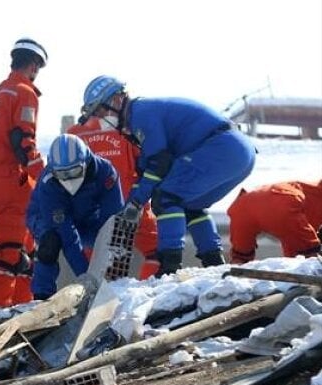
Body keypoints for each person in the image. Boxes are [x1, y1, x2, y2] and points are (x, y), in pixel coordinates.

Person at [79, 75, 256, 276]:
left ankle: (169, 265)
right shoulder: (139, 117)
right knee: (190, 204)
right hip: (237, 152)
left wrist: (136, 204)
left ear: (117, 100)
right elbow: (147, 171)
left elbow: (159, 164)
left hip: (221, 149)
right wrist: (131, 203)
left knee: (165, 198)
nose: (100, 117)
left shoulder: (141, 114)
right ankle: (213, 261)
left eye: (101, 110)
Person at [0, 38, 48, 307]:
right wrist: (44, 177)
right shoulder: (24, 92)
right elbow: (24, 140)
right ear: (33, 65)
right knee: (12, 254)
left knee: (24, 255)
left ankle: (20, 309)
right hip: (15, 181)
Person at [26, 134, 124, 299]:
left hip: (89, 219)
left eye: (75, 171)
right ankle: (41, 296)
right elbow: (67, 235)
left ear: (85, 162)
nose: (70, 179)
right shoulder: (48, 184)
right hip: (47, 218)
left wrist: (112, 261)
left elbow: (113, 218)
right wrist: (86, 278)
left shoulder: (106, 173)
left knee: (114, 239)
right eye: (63, 174)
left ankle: (116, 285)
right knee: (50, 243)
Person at [67, 110, 159, 279]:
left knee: (94, 268)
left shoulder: (74, 133)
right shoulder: (128, 129)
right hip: (132, 207)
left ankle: (94, 298)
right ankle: (149, 294)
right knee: (159, 252)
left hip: (90, 214)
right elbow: (147, 165)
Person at [227, 180, 322, 263]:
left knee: (241, 256)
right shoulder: (318, 196)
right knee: (310, 253)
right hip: (281, 201)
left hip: (242, 204)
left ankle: (234, 274)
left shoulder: (306, 186)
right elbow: (299, 236)